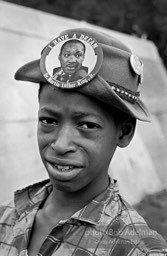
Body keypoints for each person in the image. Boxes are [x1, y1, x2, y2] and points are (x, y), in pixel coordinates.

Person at [0, 28, 167, 256]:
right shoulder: (7, 217)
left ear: (124, 132)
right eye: (48, 120)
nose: (60, 144)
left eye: (87, 125)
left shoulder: (137, 248)